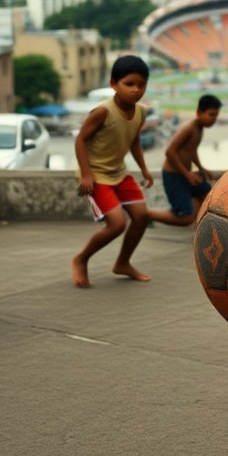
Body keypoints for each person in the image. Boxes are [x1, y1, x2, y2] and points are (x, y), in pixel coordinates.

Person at [70, 54, 155, 287]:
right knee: (117, 224)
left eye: (141, 84)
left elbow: (134, 141)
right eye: (129, 84)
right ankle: (81, 258)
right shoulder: (102, 112)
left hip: (118, 172)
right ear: (113, 84)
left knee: (142, 216)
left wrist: (145, 170)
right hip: (96, 175)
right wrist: (86, 174)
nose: (136, 90)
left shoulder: (140, 112)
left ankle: (123, 263)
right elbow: (80, 140)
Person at [149, 94, 222, 227]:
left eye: (216, 116)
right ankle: (147, 214)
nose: (213, 119)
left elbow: (191, 151)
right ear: (199, 112)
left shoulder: (199, 128)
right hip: (174, 176)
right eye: (211, 115)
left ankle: (200, 230)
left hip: (185, 174)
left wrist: (201, 168)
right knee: (186, 217)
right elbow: (169, 152)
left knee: (206, 196)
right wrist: (187, 174)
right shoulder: (188, 128)